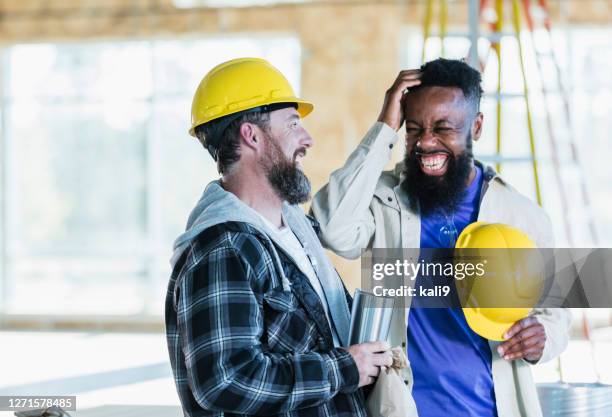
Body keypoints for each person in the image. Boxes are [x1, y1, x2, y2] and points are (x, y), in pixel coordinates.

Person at [311, 58, 571, 417]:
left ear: (476, 127)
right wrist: (384, 127)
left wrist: (541, 336)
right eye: (414, 129)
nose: (426, 143)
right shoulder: (385, 201)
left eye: (443, 128)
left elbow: (557, 314)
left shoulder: (522, 216)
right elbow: (330, 228)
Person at [165, 57, 392, 417]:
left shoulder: (293, 231)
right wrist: (344, 368)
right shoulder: (224, 248)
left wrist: (386, 129)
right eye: (293, 123)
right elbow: (225, 379)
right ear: (252, 135)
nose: (308, 139)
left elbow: (339, 219)